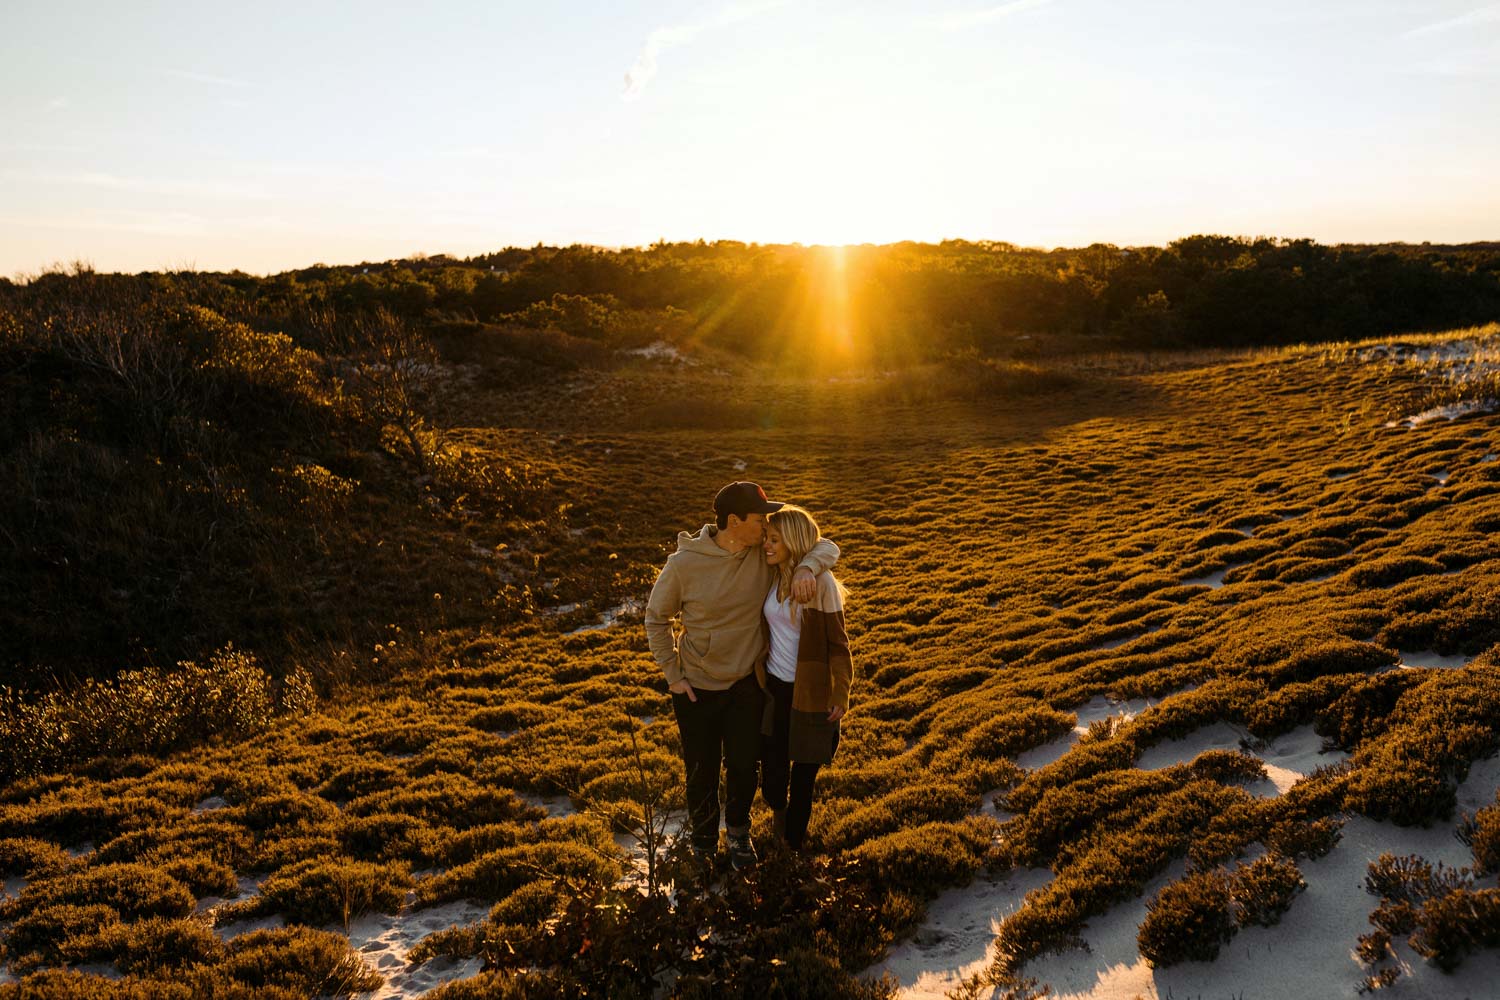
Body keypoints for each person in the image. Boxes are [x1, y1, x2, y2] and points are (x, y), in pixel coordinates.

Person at [644, 482, 838, 871]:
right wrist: (673, 675)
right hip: (696, 687)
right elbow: (656, 618)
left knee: (744, 767)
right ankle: (702, 844)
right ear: (734, 522)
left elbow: (825, 545)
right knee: (700, 771)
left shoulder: (759, 556)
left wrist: (805, 566)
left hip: (748, 685)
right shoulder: (683, 565)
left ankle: (737, 834)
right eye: (759, 519)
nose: (766, 528)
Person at [755, 505, 851, 852]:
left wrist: (841, 693)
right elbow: (826, 545)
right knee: (774, 772)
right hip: (776, 690)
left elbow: (839, 644)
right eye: (766, 537)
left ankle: (792, 845)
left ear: (793, 542)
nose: (766, 544)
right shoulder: (771, 574)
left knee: (804, 777)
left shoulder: (821, 584)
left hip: (811, 692)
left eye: (775, 539)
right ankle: (779, 822)